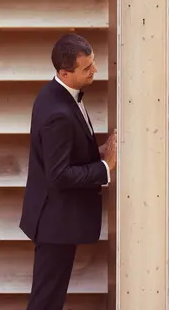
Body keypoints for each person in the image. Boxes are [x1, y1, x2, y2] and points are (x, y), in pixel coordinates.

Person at [19, 33, 117, 310]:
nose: (94, 71)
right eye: (87, 68)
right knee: (46, 300)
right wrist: (105, 166)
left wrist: (97, 151)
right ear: (64, 72)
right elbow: (59, 175)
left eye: (93, 63)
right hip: (55, 221)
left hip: (55, 218)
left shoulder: (55, 93)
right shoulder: (57, 112)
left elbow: (63, 153)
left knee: (50, 297)